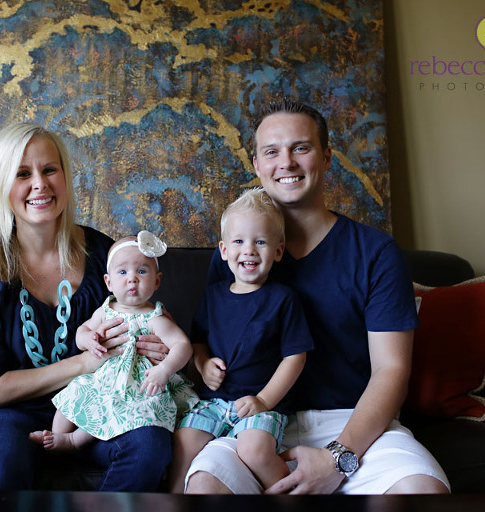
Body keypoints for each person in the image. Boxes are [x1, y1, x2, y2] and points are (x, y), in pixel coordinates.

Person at [184, 99, 451, 494]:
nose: (286, 162)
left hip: (354, 423)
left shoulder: (375, 252)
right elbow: (204, 344)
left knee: (422, 490)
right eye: (271, 152)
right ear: (256, 165)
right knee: (204, 486)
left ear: (326, 158)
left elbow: (391, 370)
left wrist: (339, 456)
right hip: (250, 421)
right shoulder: (236, 256)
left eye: (301, 148)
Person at [0, 122, 172, 491]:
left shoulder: (106, 254)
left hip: (101, 409)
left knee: (150, 445)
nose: (40, 184)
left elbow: (149, 319)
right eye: (22, 174)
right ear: (0, 186)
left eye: (50, 169)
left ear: (65, 177)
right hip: (13, 416)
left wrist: (157, 348)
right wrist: (83, 363)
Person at [169, 188, 314, 492]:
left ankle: (292, 493)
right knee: (183, 442)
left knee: (254, 451)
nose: (249, 250)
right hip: (214, 401)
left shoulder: (283, 299)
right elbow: (198, 341)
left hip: (261, 402)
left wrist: (265, 400)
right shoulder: (213, 296)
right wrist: (203, 364)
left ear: (278, 251)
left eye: (260, 242)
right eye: (238, 242)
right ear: (223, 250)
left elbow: (295, 357)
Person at [29, 232, 198, 451]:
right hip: (103, 376)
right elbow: (82, 331)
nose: (132, 278)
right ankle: (57, 439)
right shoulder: (105, 309)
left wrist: (164, 370)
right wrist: (88, 339)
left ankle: (74, 441)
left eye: (142, 271)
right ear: (108, 282)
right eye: (122, 272)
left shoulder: (155, 318)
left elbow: (183, 345)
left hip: (135, 385)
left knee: (110, 408)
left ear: (157, 281)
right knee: (72, 394)